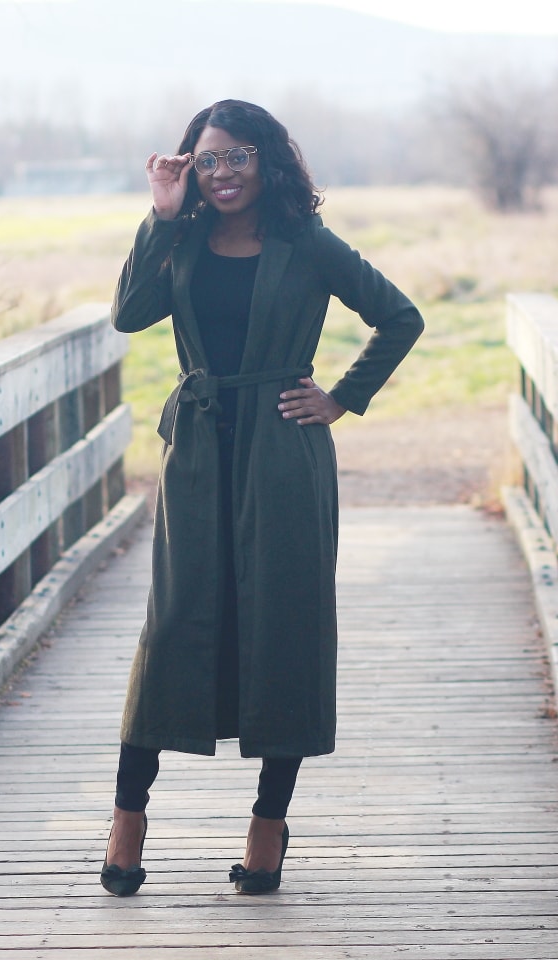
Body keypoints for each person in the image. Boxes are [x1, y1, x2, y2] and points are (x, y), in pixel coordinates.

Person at [101, 99, 424, 897]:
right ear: (188, 168)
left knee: (285, 624)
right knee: (173, 623)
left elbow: (399, 317)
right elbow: (128, 316)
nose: (223, 173)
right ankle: (128, 817)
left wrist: (342, 397)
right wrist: (160, 214)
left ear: (269, 161)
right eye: (207, 160)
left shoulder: (304, 243)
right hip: (200, 452)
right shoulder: (178, 239)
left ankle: (268, 826)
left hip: (284, 456)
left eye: (238, 157)